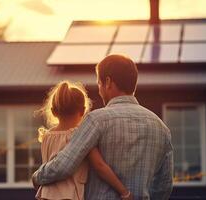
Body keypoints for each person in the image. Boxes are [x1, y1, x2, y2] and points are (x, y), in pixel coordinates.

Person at [32, 54, 174, 200]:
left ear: (108, 82)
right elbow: (164, 185)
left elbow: (65, 164)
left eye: (99, 84)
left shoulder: (96, 120)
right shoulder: (161, 128)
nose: (99, 90)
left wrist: (37, 177)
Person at [34, 80, 133, 200]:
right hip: (68, 196)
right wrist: (123, 191)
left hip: (45, 195)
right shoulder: (79, 136)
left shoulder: (46, 136)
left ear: (54, 111)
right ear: (83, 111)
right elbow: (99, 165)